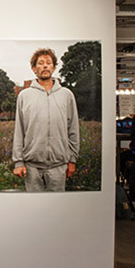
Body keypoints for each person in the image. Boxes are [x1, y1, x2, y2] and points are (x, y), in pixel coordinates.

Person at [12, 48, 79, 192]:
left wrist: (72, 160)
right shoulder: (24, 96)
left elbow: (73, 129)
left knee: (56, 210)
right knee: (33, 209)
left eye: (48, 63)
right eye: (40, 63)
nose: (45, 66)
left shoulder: (66, 95)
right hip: (32, 167)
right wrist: (18, 162)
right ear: (34, 68)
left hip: (59, 166)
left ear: (54, 67)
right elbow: (19, 131)